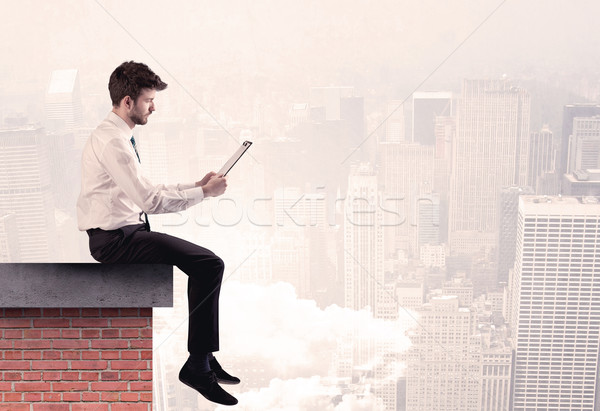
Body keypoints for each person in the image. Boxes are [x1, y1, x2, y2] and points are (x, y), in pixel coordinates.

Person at [76, 61, 239, 406]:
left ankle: (204, 359)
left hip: (128, 232)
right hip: (116, 242)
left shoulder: (118, 135)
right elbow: (149, 200)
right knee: (210, 264)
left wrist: (194, 185)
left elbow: (147, 187)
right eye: (149, 100)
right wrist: (206, 194)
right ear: (127, 103)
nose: (154, 106)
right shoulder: (113, 143)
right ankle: (198, 365)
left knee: (207, 264)